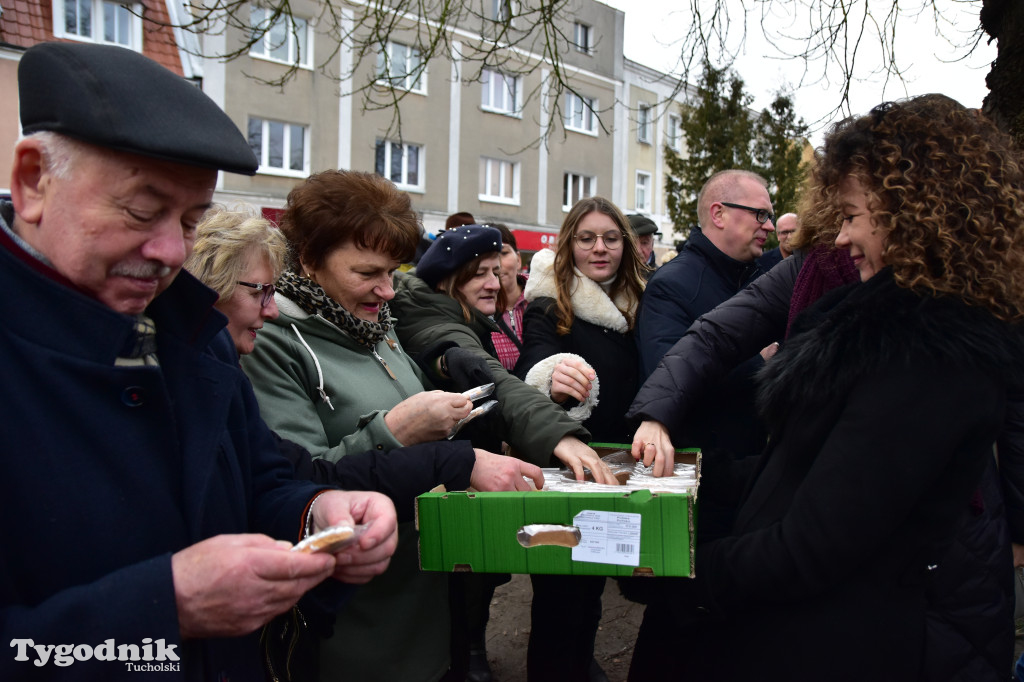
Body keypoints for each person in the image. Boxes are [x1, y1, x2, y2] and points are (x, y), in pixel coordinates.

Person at [0, 42, 398, 680]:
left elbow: (260, 481)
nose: (167, 251)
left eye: (189, 221)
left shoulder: (191, 333)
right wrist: (165, 605)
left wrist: (317, 514)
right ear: (32, 182)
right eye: (141, 209)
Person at [628, 94, 1024, 681]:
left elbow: (812, 543)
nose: (838, 239)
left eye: (851, 216)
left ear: (909, 212)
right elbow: (798, 466)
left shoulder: (928, 355)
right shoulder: (876, 319)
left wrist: (681, 579)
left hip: (842, 639)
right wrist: (689, 471)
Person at [240, 171, 539, 682]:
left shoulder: (376, 324)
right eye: (367, 273)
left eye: (393, 270)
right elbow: (295, 486)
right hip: (356, 633)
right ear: (309, 260)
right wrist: (397, 429)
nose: (388, 289)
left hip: (425, 609)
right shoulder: (270, 342)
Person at [514, 196, 647, 682]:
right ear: (569, 243)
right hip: (569, 463)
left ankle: (581, 660)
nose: (599, 248)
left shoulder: (641, 301)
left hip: (623, 464)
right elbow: (531, 361)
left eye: (611, 238)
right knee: (560, 589)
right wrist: (550, 376)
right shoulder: (551, 301)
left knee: (593, 580)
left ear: (625, 246)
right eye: (586, 238)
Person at [490, 223, 528, 370]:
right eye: (490, 256)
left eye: (503, 253)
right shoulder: (477, 312)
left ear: (518, 259)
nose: (497, 264)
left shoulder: (544, 298)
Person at [626, 213, 659, 278]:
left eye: (644, 243)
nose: (638, 250)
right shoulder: (609, 276)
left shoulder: (661, 279)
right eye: (632, 243)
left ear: (652, 244)